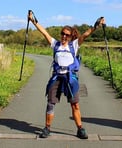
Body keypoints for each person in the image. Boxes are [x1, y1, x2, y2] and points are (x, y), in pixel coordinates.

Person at [28, 11, 105, 139]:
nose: (64, 36)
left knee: (75, 104)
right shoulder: (55, 44)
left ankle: (80, 129)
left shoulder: (74, 45)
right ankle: (47, 128)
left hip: (70, 78)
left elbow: (86, 34)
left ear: (71, 36)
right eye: (62, 34)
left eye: (67, 35)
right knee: (50, 103)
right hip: (57, 77)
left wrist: (97, 25)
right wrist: (33, 21)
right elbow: (44, 32)